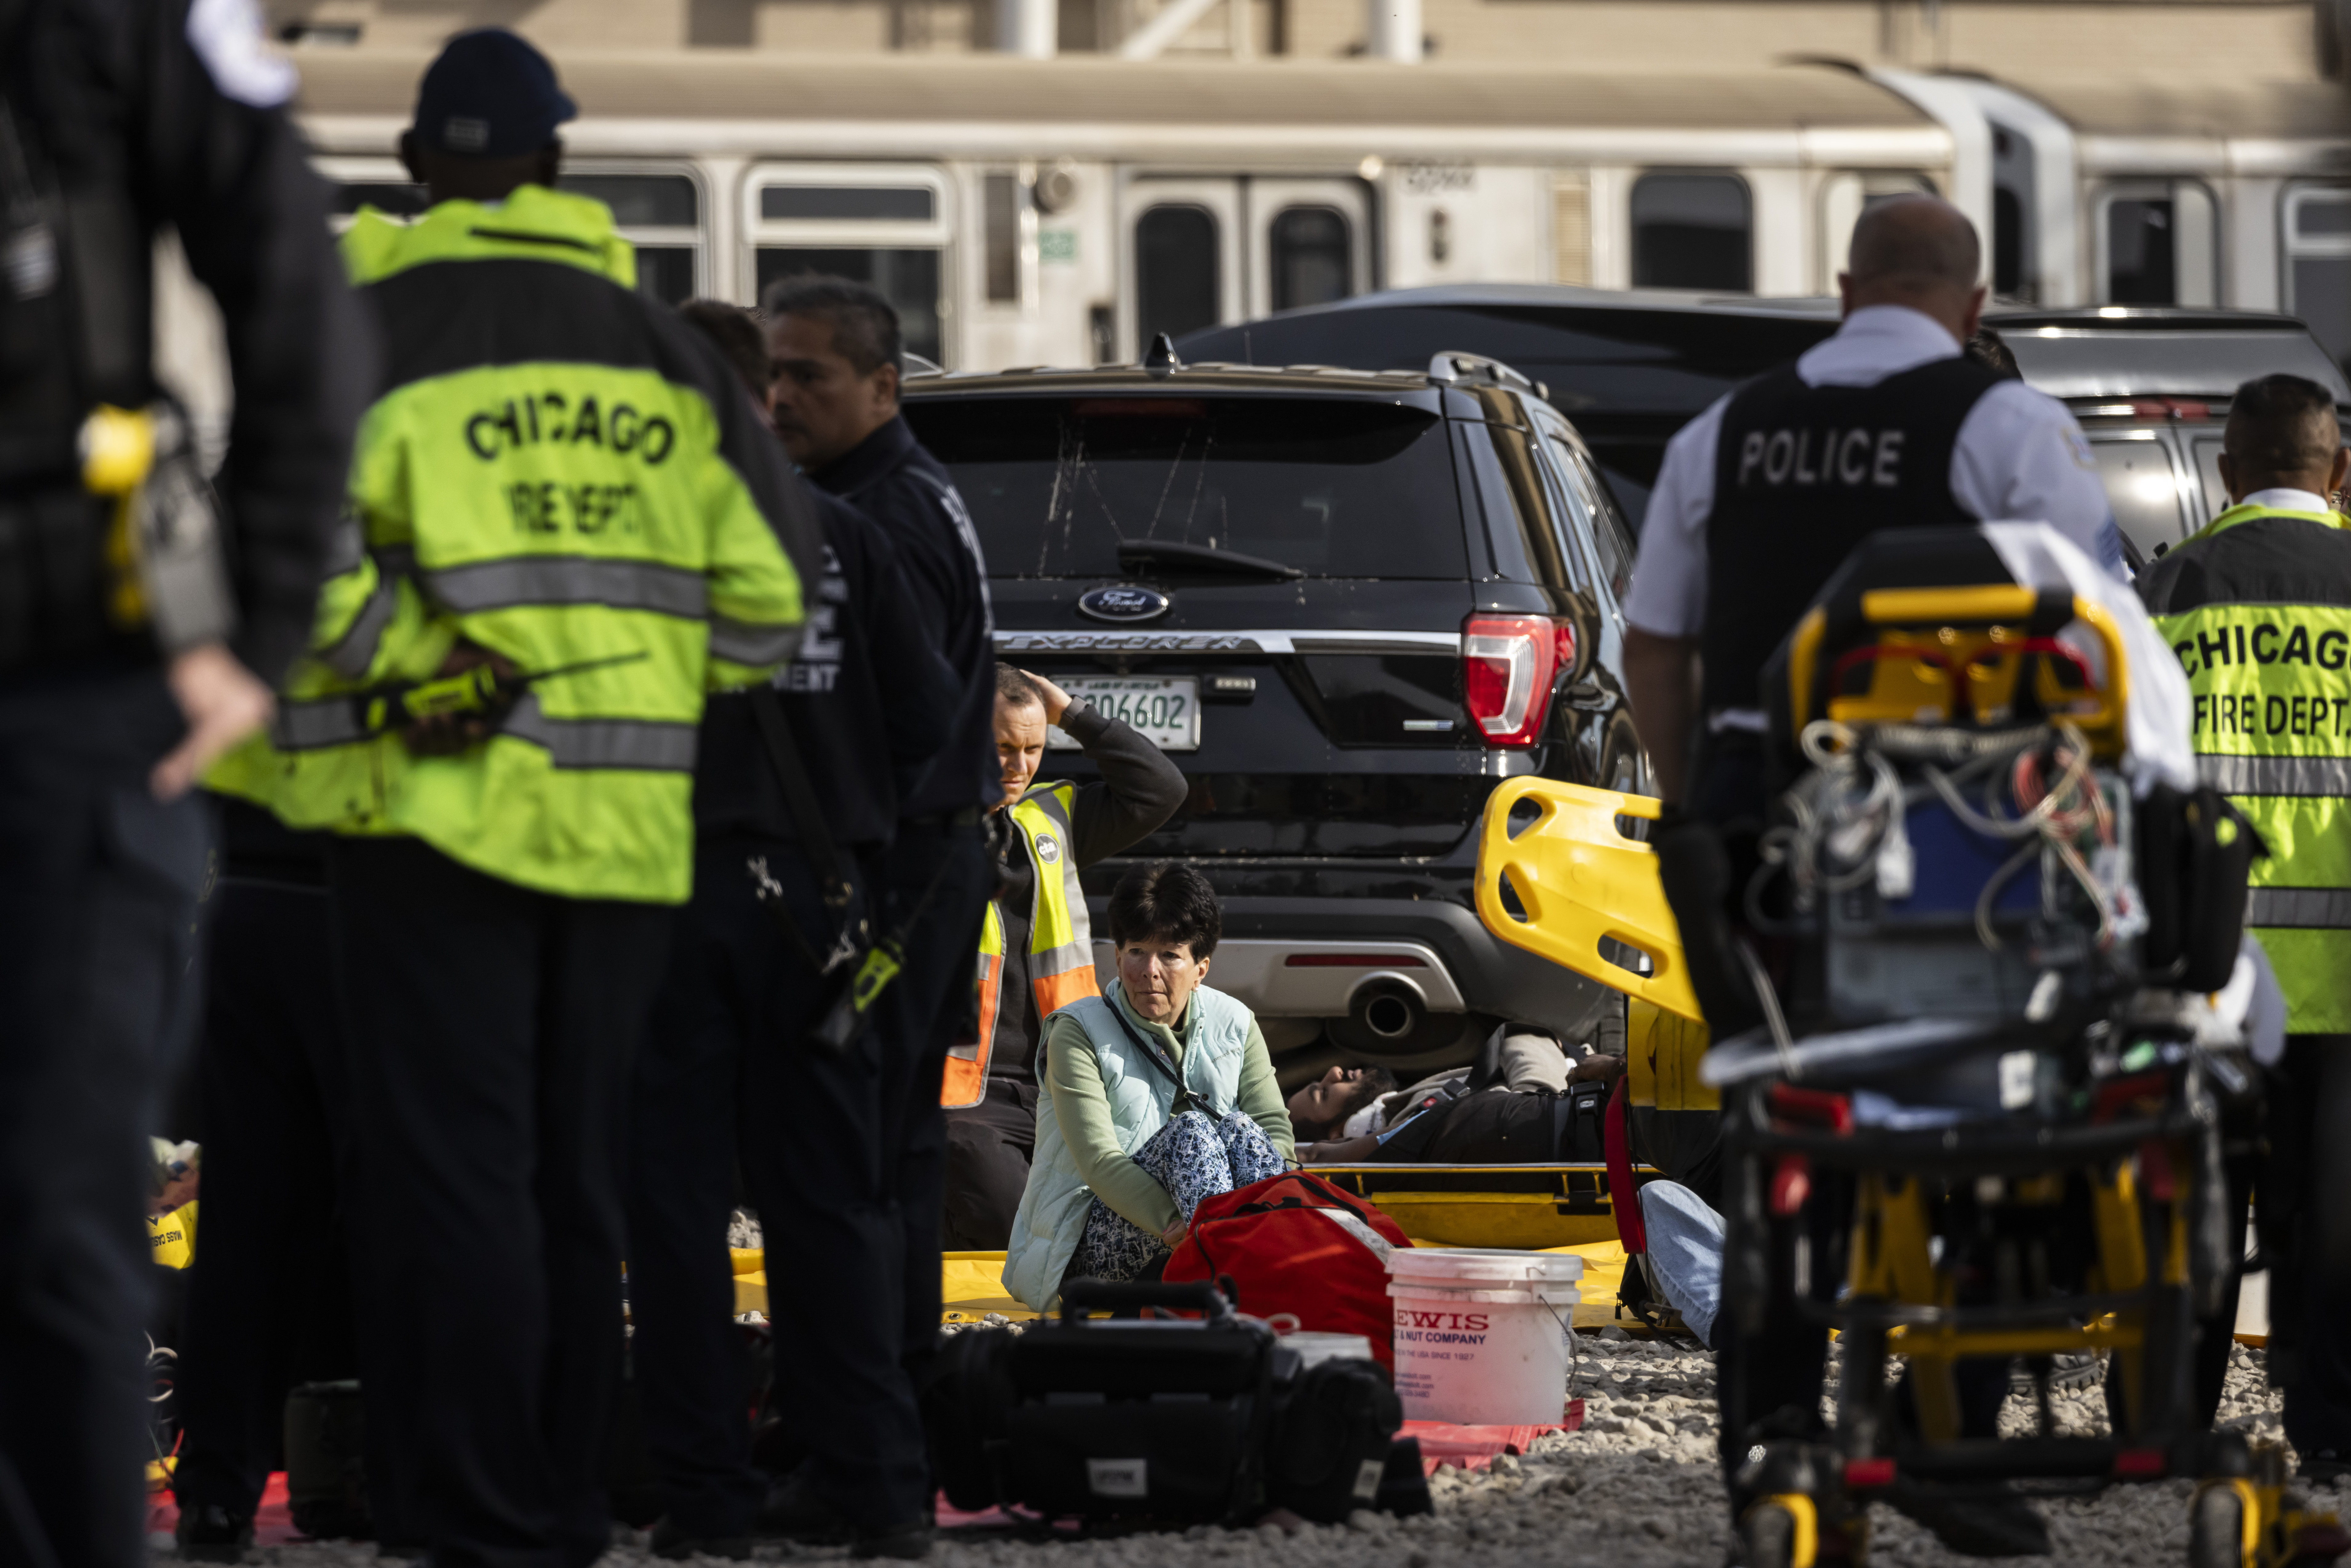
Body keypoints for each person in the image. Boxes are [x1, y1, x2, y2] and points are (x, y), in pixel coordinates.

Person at [207, 34, 819, 1568]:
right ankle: (555, 1499)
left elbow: (282, 572)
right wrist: (613, 651)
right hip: (622, 834)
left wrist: (414, 674)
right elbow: (767, 605)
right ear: (559, 165)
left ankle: (464, 1504)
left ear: (416, 170)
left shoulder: (372, 328)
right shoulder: (663, 350)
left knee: (442, 1166)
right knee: (569, 1168)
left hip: (429, 820)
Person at [1620, 195, 2120, 1557]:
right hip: (1944, 858)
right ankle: (1935, 1429)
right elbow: (2096, 637)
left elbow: (1649, 647)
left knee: (1782, 1150)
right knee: (2006, 1135)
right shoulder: (2003, 426)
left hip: (1745, 855)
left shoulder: (1721, 431)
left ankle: (1774, 1471)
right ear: (1971, 306)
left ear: (1843, 290)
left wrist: (1694, 802)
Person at [0, 6, 368, 1567]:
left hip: (58, 689)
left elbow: (297, 292)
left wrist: (254, 633)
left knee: (52, 1222)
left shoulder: (96, 25)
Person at [624, 300, 956, 1562]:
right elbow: (933, 740)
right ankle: (879, 1488)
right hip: (822, 914)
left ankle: (704, 1496)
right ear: (759, 395)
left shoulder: (628, 547)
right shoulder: (846, 537)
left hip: (664, 908)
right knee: (830, 1209)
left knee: (673, 1212)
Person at [758, 274, 998, 1534]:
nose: (780, 396)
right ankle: (887, 1424)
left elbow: (894, 720)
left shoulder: (879, 519)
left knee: (848, 1173)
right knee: (888, 1166)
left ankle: (858, 1447)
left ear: (883, 386)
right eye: (771, 373)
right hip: (926, 864)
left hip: (899, 871)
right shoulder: (901, 492)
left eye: (808, 376)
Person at [2139, 372, 2351, 1484]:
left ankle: (2171, 1425)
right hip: (2344, 979)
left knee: (2192, 1212)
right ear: (2339, 471)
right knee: (2332, 1219)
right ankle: (2328, 1434)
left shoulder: (2166, 590)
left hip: (2203, 972)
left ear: (2225, 475)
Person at [942, 665, 1188, 1248]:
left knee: (1130, 1222)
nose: (1019, 766)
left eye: (1033, 748)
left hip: (1062, 1085)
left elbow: (1162, 789)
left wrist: (1070, 713)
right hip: (957, 1098)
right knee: (1020, 1231)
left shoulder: (1051, 818)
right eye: (1002, 747)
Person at [1002, 862, 1295, 1309]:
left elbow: (1274, 1133)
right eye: (1137, 951)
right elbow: (1099, 1161)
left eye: (1170, 955)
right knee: (1193, 1133)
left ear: (1200, 968)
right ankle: (1232, 1284)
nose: (1149, 971)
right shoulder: (1077, 1031)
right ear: (1117, 956)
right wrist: (1179, 1228)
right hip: (1093, 1238)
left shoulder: (1235, 1021)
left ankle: (1275, 1269)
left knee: (1240, 1129)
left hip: (1210, 1229)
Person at [1293, 1027, 1623, 1165]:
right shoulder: (1410, 1127)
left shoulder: (1410, 1106)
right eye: (1323, 1093)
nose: (1334, 1072)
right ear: (1338, 1135)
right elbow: (1530, 1107)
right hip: (1575, 1117)